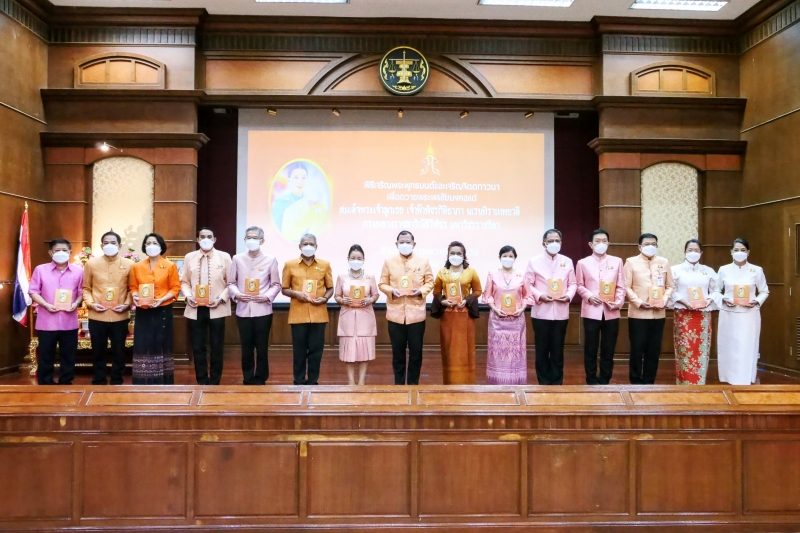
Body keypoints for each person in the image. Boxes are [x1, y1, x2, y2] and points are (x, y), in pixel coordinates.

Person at [227, 226, 281, 385]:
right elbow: (231, 282)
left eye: (254, 238)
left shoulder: (270, 260)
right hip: (243, 310)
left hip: (263, 310)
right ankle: (248, 376)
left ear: (262, 241)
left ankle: (261, 377)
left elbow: (276, 285)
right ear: (245, 240)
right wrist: (237, 294)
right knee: (246, 347)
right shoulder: (237, 259)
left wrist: (266, 297)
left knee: (262, 347)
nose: (251, 241)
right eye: (248, 238)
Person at [379, 230, 434, 385]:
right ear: (396, 244)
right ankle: (399, 385)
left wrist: (421, 291)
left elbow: (430, 282)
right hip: (395, 315)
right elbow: (382, 284)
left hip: (416, 315)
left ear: (414, 244)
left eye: (407, 242)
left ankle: (413, 385)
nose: (405, 245)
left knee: (416, 353)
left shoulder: (423, 261)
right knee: (398, 353)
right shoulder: (389, 262)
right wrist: (391, 291)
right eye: (401, 242)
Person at [81, 230, 134, 385]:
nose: (109, 245)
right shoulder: (91, 264)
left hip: (120, 316)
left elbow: (133, 288)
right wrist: (91, 304)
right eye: (106, 243)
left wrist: (126, 304)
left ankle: (117, 379)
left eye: (113, 243)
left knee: (119, 351)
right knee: (98, 350)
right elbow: (86, 288)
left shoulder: (129, 264)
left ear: (120, 245)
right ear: (101, 245)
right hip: (97, 315)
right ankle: (99, 379)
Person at [524, 229, 576, 385]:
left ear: (561, 242)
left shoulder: (567, 261)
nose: (554, 243)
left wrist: (568, 295)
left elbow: (573, 283)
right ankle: (544, 382)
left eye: (557, 241)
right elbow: (528, 284)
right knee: (542, 349)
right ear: (543, 243)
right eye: (551, 241)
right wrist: (540, 295)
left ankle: (557, 381)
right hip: (541, 312)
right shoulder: (534, 261)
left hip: (560, 312)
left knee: (558, 349)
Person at [28, 239, 83, 385]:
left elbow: (82, 292)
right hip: (47, 321)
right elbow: (33, 291)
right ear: (50, 252)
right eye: (57, 250)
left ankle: (66, 382)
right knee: (46, 355)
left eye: (65, 250)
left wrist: (76, 303)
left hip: (69, 321)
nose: (61, 253)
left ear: (70, 252)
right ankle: (45, 383)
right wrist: (45, 304)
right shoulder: (40, 269)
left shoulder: (79, 271)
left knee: (68, 355)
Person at [181, 227, 232, 385]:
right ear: (197, 239)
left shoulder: (224, 257)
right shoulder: (190, 257)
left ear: (215, 239)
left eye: (209, 236)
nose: (205, 239)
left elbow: (231, 283)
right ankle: (201, 379)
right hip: (195, 309)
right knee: (198, 346)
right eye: (202, 236)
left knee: (216, 346)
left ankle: (215, 379)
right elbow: (184, 282)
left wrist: (221, 298)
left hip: (217, 308)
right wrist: (188, 296)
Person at [281, 233, 334, 385]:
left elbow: (330, 288)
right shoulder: (290, 265)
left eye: (311, 244)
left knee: (316, 351)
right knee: (299, 351)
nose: (308, 246)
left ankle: (312, 381)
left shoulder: (325, 265)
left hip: (319, 314)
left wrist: (324, 298)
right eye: (305, 244)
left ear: (316, 247)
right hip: (298, 314)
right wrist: (296, 294)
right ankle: (298, 380)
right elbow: (284, 289)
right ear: (300, 246)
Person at [623, 233, 675, 385]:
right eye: (647, 244)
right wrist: (638, 302)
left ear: (657, 246)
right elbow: (626, 286)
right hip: (638, 314)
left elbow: (670, 285)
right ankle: (635, 380)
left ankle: (649, 380)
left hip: (658, 314)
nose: (650, 246)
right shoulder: (631, 262)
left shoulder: (664, 262)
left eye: (654, 244)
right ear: (639, 247)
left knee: (654, 350)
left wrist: (664, 300)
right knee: (637, 349)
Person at [715, 238, 769, 385]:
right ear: (731, 252)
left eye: (743, 250)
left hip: (749, 314)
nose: (740, 253)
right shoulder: (723, 269)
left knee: (747, 345)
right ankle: (727, 377)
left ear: (748, 252)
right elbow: (715, 290)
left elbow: (764, 291)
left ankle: (746, 378)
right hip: (728, 313)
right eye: (736, 250)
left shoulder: (756, 270)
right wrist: (724, 299)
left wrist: (756, 301)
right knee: (729, 345)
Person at [576, 229, 626, 385]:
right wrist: (589, 296)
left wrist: (617, 302)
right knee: (590, 347)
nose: (601, 244)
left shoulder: (617, 261)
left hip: (611, 311)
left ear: (609, 243)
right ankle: (591, 378)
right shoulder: (582, 263)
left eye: (604, 241)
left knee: (608, 348)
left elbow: (621, 286)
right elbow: (579, 285)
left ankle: (605, 379)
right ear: (591, 244)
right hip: (591, 311)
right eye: (597, 241)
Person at [129, 233, 181, 384]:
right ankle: (143, 380)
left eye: (155, 243)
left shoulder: (170, 266)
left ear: (161, 246)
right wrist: (136, 296)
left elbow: (175, 288)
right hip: (143, 311)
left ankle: (162, 380)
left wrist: (161, 300)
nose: (151, 245)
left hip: (162, 310)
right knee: (143, 343)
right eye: (148, 243)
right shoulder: (137, 266)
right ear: (144, 247)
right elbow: (133, 287)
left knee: (161, 344)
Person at [669, 239, 718, 385]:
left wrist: (708, 301)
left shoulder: (708, 271)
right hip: (683, 314)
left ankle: (699, 381)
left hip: (703, 315)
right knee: (684, 348)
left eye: (696, 250)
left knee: (700, 348)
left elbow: (715, 290)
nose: (693, 253)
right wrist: (684, 302)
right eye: (690, 250)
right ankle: (683, 382)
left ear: (701, 253)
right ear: (684, 252)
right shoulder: (675, 270)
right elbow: (671, 290)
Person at [433, 241, 482, 385]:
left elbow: (478, 291)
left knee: (464, 351)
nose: (455, 256)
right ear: (448, 256)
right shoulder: (442, 272)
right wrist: (443, 301)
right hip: (448, 316)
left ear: (464, 255)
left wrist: (467, 300)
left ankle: (466, 382)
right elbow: (436, 292)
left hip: (465, 315)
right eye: (452, 253)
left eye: (458, 253)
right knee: (449, 350)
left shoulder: (471, 271)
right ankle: (449, 382)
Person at [483, 246, 530, 384]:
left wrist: (522, 308)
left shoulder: (522, 274)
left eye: (510, 256)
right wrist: (495, 308)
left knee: (516, 352)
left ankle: (516, 382)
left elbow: (527, 296)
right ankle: (497, 381)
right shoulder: (492, 273)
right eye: (505, 256)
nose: (507, 259)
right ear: (499, 258)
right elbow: (488, 295)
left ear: (515, 258)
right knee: (497, 353)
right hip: (497, 320)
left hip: (516, 320)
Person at [333, 245, 379, 385]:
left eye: (359, 258)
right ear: (348, 259)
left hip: (365, 317)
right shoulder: (342, 276)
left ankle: (361, 382)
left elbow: (375, 295)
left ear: (363, 260)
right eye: (353, 258)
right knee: (349, 352)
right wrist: (342, 300)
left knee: (364, 351)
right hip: (347, 317)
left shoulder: (369, 276)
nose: (356, 260)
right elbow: (337, 295)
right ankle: (351, 382)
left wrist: (370, 299)